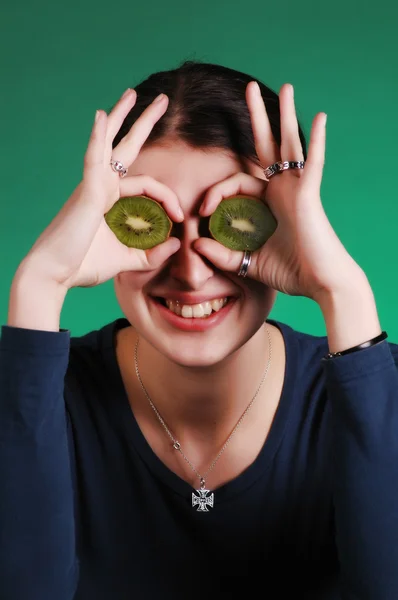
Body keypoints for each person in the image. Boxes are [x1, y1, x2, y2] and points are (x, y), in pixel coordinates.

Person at [1, 60, 397, 600]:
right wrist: (40, 283)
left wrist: (345, 294)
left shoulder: (376, 389)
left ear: (290, 228)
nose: (190, 272)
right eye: (151, 218)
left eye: (229, 222)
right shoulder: (28, 398)